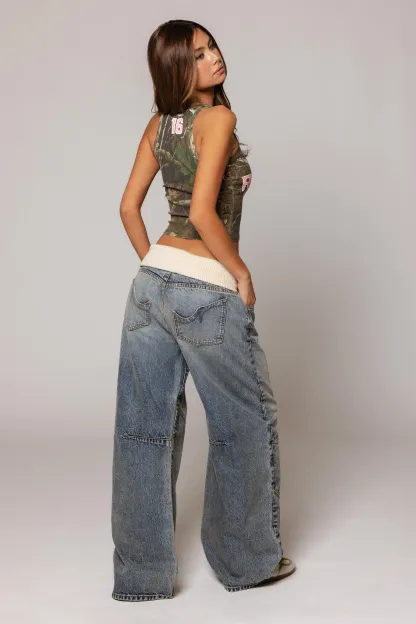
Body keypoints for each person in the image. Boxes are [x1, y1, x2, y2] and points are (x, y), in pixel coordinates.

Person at [111, 19, 296, 602]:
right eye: (195, 55)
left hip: (149, 286)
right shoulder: (218, 119)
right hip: (206, 292)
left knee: (142, 431)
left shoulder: (158, 125)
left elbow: (128, 209)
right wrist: (240, 273)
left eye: (210, 46)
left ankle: (141, 578)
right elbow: (202, 214)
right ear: (175, 70)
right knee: (245, 423)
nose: (213, 57)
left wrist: (161, 271)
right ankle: (246, 563)